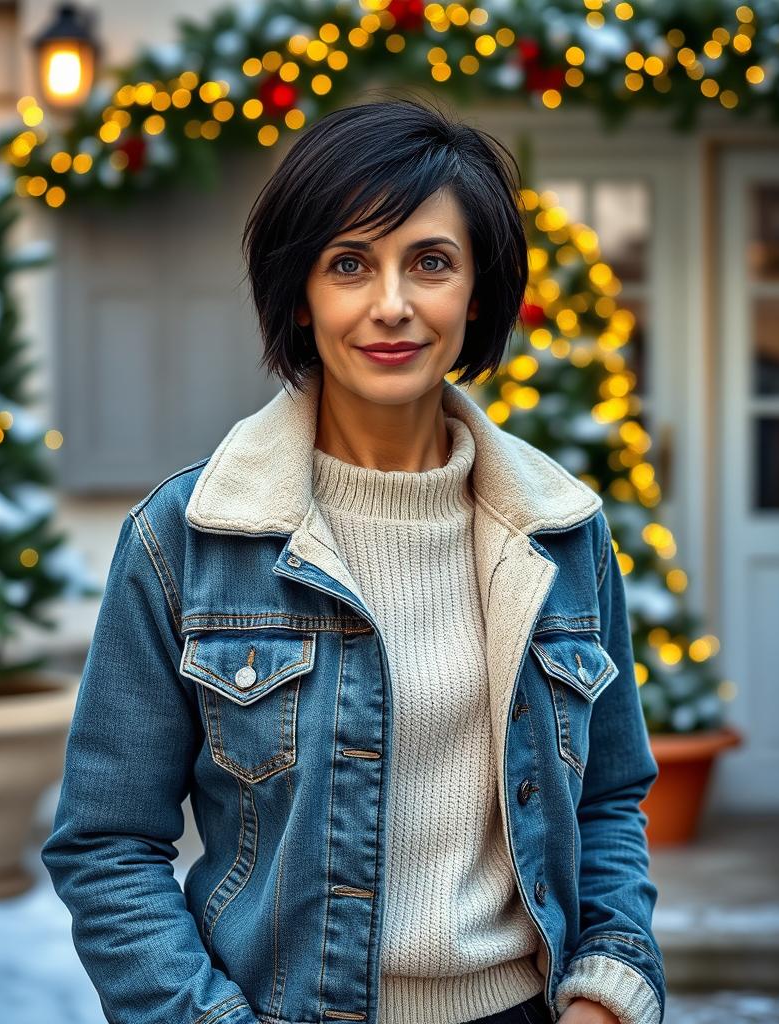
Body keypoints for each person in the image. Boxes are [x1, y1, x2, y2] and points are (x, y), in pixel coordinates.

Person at [42, 94, 665, 1024]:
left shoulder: (562, 533)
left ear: (478, 292)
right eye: (349, 264)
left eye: (431, 262)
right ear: (301, 294)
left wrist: (610, 993)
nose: (392, 305)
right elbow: (105, 846)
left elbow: (610, 801)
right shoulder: (185, 539)